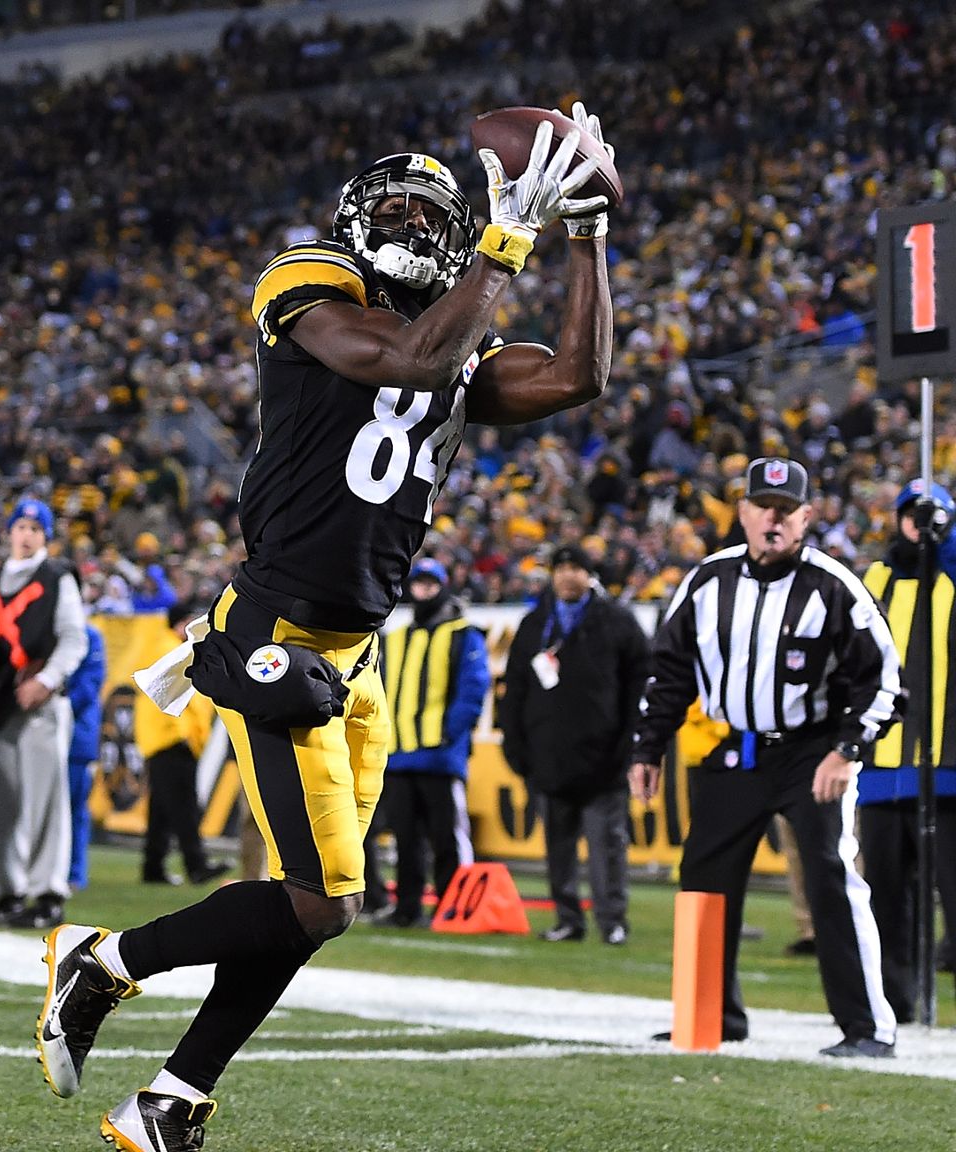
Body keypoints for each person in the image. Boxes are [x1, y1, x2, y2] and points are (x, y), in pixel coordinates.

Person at [38, 112, 618, 1152]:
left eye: (426, 212)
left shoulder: (459, 324)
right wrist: (501, 244)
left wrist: (583, 238)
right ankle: (105, 961)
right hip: (273, 632)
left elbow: (577, 375)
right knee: (322, 901)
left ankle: (168, 1099)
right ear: (350, 221)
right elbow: (399, 359)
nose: (403, 219)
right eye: (387, 204)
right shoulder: (305, 281)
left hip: (353, 650)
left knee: (310, 899)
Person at [630, 457, 902, 1058]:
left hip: (811, 753)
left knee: (831, 876)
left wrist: (846, 751)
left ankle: (867, 1028)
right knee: (703, 879)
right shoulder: (707, 580)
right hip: (738, 749)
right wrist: (648, 748)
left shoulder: (834, 585)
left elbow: (883, 682)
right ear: (744, 512)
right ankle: (709, 1016)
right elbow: (669, 671)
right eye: (762, 507)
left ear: (806, 516)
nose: (773, 519)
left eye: (786, 509)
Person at [499, 543, 649, 945]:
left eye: (576, 568)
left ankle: (612, 920)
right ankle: (568, 918)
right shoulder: (535, 624)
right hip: (549, 756)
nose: (567, 575)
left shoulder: (617, 622)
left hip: (604, 758)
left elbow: (639, 686)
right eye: (561, 568)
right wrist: (515, 745)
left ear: (590, 575)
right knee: (558, 848)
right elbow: (513, 690)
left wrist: (627, 746)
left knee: (607, 847)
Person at [856, 480, 956, 1023]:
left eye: (933, 516)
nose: (921, 525)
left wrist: (946, 541)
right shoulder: (875, 579)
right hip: (882, 766)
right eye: (913, 515)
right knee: (888, 899)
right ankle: (898, 1003)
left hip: (948, 767)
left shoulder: (952, 574)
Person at [0, 499, 90, 930]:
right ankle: (6, 891)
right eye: (20, 526)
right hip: (0, 704)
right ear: (9, 531)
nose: (26, 534)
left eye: (35, 529)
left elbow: (75, 639)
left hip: (42, 702)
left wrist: (48, 679)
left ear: (46, 536)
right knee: (1, 804)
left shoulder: (57, 577)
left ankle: (48, 893)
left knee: (45, 801)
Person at [372, 557, 488, 928]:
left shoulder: (462, 634)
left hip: (440, 757)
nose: (423, 592)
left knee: (446, 839)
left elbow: (473, 691)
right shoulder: (396, 637)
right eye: (418, 585)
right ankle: (407, 908)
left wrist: (447, 735)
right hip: (399, 755)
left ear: (443, 587)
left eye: (430, 585)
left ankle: (453, 906)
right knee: (405, 839)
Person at [135, 602, 227, 888]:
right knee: (185, 808)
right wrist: (184, 736)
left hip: (162, 739)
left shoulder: (163, 645)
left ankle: (153, 866)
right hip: (172, 739)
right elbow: (168, 697)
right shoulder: (173, 648)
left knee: (161, 809)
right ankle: (196, 866)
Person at [65, 621, 107, 890]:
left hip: (76, 737)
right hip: (60, 733)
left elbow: (88, 686)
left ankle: (74, 872)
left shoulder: (89, 635)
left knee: (74, 807)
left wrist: (52, 706)